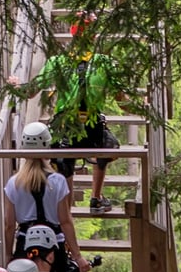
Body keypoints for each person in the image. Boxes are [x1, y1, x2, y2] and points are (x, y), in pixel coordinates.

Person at [49, 16, 130, 211]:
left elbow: (33, 90)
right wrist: (144, 108)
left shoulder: (59, 61)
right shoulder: (104, 63)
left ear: (72, 35)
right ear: (94, 37)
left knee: (64, 158)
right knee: (107, 146)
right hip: (92, 128)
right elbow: (122, 101)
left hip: (65, 127)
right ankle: (95, 198)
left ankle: (65, 209)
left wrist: (15, 87)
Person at [6, 125, 86, 272]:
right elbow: (65, 222)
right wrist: (78, 256)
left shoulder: (13, 183)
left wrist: (9, 255)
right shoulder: (58, 181)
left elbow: (9, 225)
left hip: (25, 246)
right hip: (54, 248)